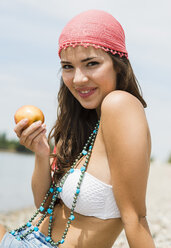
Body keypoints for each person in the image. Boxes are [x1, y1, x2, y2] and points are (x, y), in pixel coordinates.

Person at [0, 9, 156, 248]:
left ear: (118, 65)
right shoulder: (76, 126)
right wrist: (42, 154)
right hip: (24, 240)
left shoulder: (120, 106)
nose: (78, 79)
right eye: (68, 67)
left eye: (91, 63)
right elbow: (44, 205)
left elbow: (135, 218)